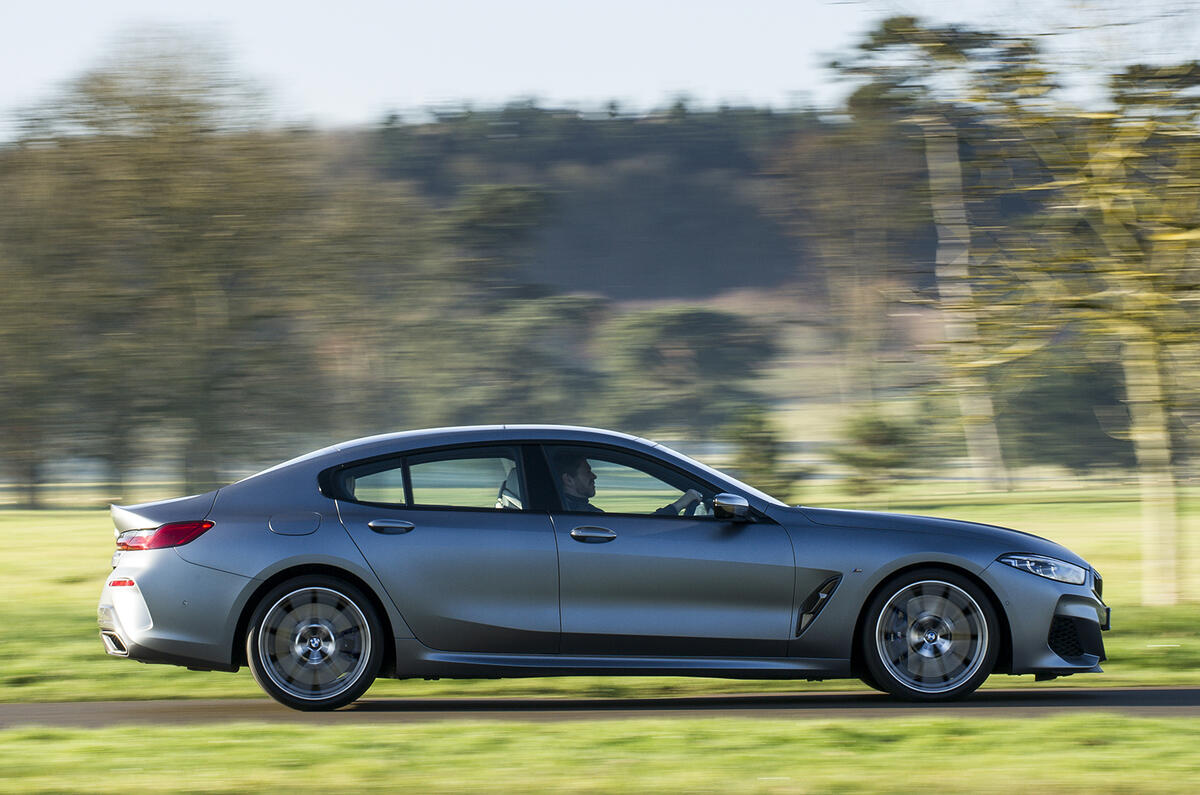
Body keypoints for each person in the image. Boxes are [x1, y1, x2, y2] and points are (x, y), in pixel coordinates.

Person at [556, 453, 702, 516]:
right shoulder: (582, 514)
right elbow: (642, 532)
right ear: (568, 479)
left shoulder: (570, 509)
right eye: (587, 472)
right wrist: (680, 504)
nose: (594, 476)